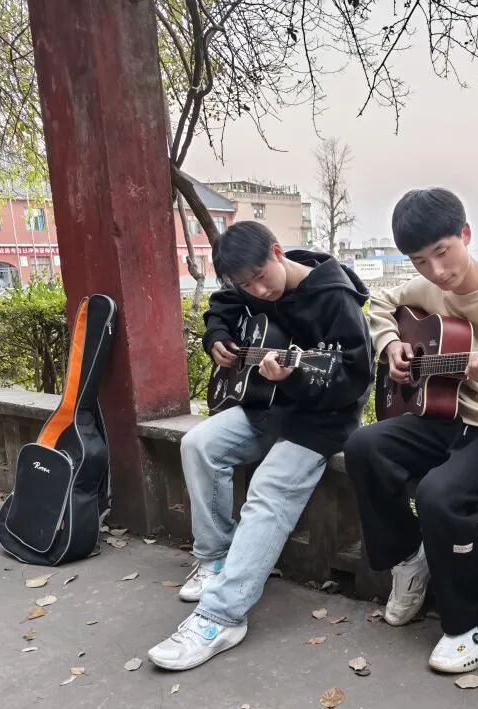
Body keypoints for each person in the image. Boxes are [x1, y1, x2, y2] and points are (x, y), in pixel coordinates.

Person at [344, 188, 478, 673]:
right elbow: (381, 302)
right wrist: (391, 345)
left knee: (440, 494)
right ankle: (409, 558)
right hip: (448, 417)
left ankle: (476, 618)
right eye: (420, 262)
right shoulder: (428, 288)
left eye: (443, 253)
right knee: (363, 446)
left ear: (466, 233)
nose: (437, 272)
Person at [147, 221, 372, 671]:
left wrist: (296, 376)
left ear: (277, 251)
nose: (258, 290)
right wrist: (216, 338)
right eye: (246, 284)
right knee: (198, 444)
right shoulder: (248, 286)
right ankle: (215, 559)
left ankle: (222, 616)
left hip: (322, 421)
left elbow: (356, 378)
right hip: (265, 405)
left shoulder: (335, 297)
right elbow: (223, 305)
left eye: (260, 277)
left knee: (268, 488)